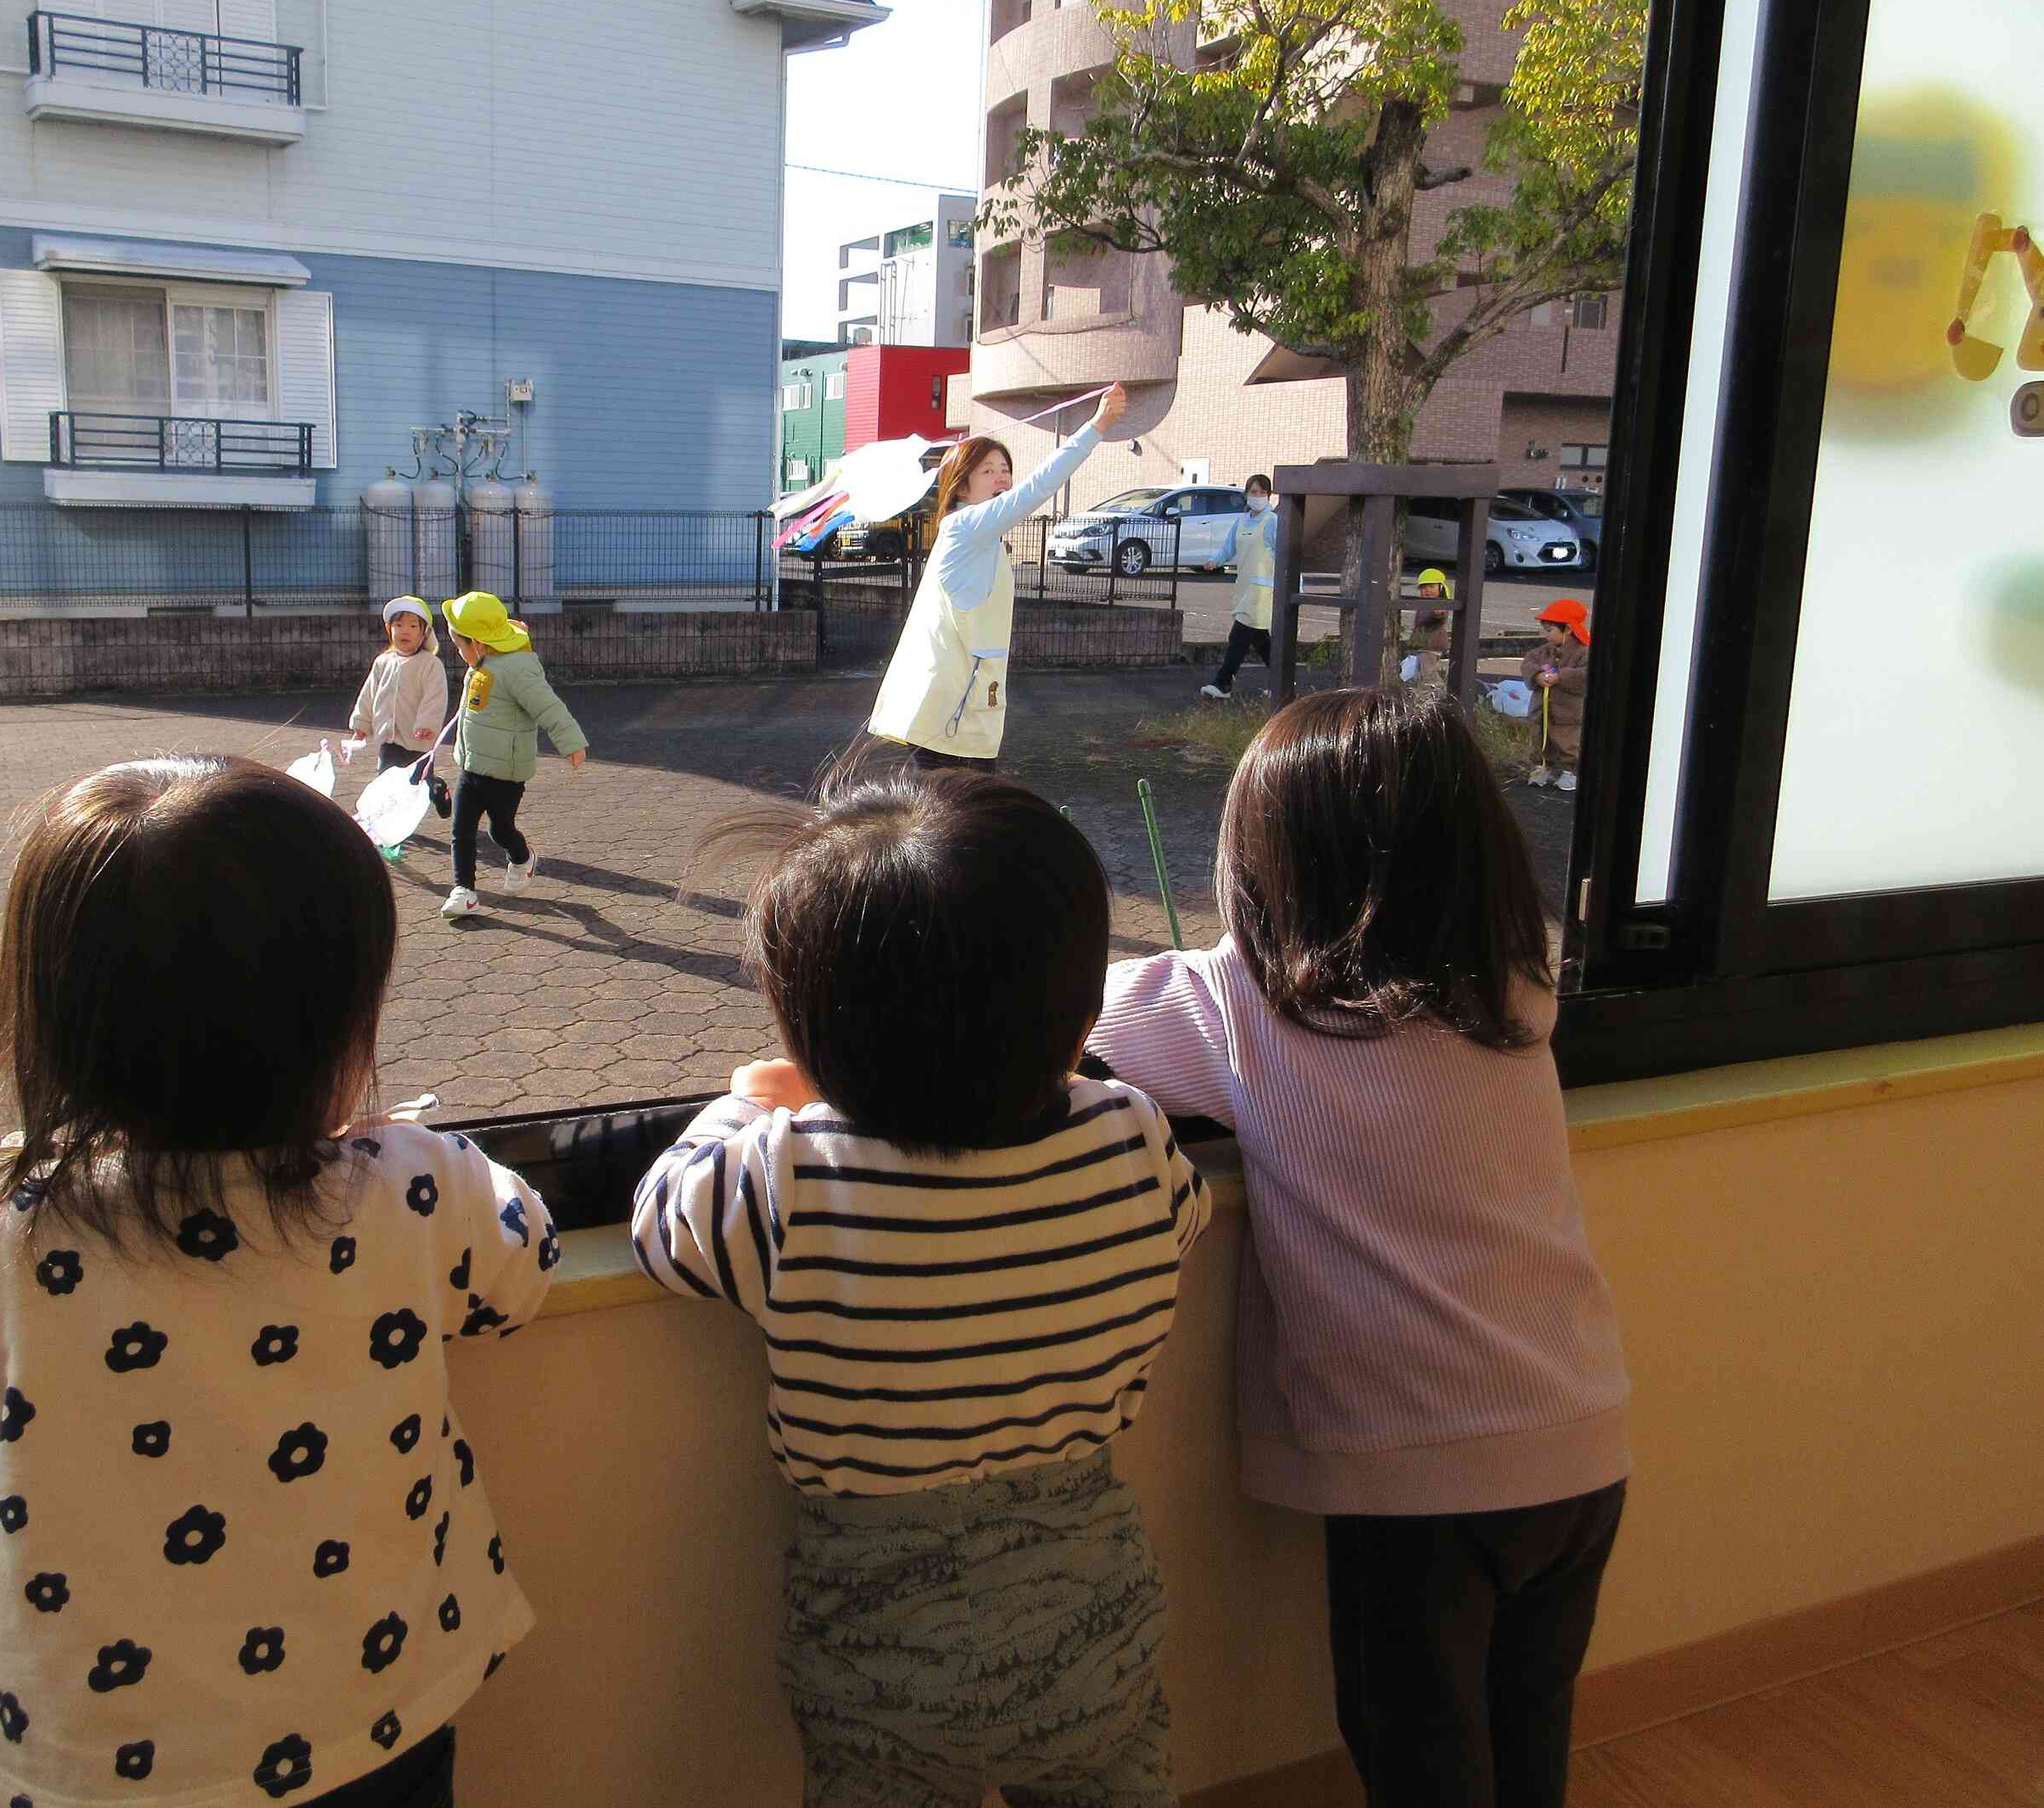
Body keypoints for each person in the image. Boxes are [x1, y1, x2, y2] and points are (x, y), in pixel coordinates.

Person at [0, 755, 560, 1808]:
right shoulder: (412, 1188)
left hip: (105, 1748)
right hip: (378, 1706)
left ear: (46, 1013)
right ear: (333, 1013)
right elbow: (523, 1268)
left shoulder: (8, 1231)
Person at [1085, 689, 1629, 1808]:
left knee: (1423, 1761)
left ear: (1266, 872)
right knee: (1528, 1741)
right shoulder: (1515, 992)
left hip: (1421, 1474)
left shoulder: (1243, 1004)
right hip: (1580, 1438)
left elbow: (1056, 1014)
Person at [634, 771, 1211, 1808]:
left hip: (878, 1650)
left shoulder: (785, 1174)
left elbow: (659, 1225)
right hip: (1094, 1609)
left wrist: (746, 1100)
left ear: (815, 1034)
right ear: (1078, 1012)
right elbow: (1184, 1218)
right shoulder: (1132, 1134)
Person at [868, 382, 1128, 770]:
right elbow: (1037, 489)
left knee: (958, 815)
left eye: (1005, 470)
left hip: (956, 705)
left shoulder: (975, 535)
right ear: (962, 483)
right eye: (988, 471)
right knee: (960, 817)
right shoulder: (966, 526)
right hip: (952, 710)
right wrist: (1097, 426)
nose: (1002, 480)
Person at [437, 590, 589, 921]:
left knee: (499, 831)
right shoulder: (486, 657)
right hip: (471, 766)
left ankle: (522, 858)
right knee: (461, 830)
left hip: (505, 774)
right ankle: (464, 891)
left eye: (461, 646)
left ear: (478, 643)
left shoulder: (518, 670)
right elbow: (505, 632)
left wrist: (571, 742)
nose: (460, 653)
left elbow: (549, 707)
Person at [347, 595, 452, 846]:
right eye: (398, 625)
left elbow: (435, 697)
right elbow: (368, 694)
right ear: (388, 629)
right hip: (389, 738)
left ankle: (439, 790)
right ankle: (390, 827)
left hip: (418, 739)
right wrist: (361, 726)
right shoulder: (383, 662)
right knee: (386, 781)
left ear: (424, 631)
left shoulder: (430, 665)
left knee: (419, 783)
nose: (405, 631)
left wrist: (427, 724)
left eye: (413, 626)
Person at [1198, 473, 1280, 700]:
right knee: (1260, 640)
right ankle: (1283, 683)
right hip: (1244, 587)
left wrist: (1295, 584)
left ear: (1269, 496)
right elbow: (1229, 548)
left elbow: (1285, 555)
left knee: (1239, 636)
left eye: (1263, 492)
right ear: (1246, 495)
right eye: (1253, 492)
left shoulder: (1272, 521)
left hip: (1263, 591)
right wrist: (1215, 561)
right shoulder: (1241, 521)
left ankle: (1223, 683)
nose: (1258, 496)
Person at [1522, 597, 1593, 792]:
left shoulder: (1583, 652)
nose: (1546, 636)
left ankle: (1570, 772)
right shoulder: (1545, 651)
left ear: (1568, 629)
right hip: (1542, 710)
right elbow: (1528, 662)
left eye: (1550, 631)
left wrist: (1560, 677)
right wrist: (1537, 675)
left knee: (1567, 741)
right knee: (1540, 737)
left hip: (1568, 712)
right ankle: (1543, 767)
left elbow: (1587, 675)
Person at [1402, 568, 1454, 684]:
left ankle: (1436, 691)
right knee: (1422, 671)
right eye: (1423, 587)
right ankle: (1431, 687)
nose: (1427, 590)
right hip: (1423, 645)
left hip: (1431, 646)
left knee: (1428, 672)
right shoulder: (1425, 603)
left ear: (1440, 588)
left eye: (1431, 587)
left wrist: (1438, 613)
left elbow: (1440, 616)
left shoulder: (1439, 604)